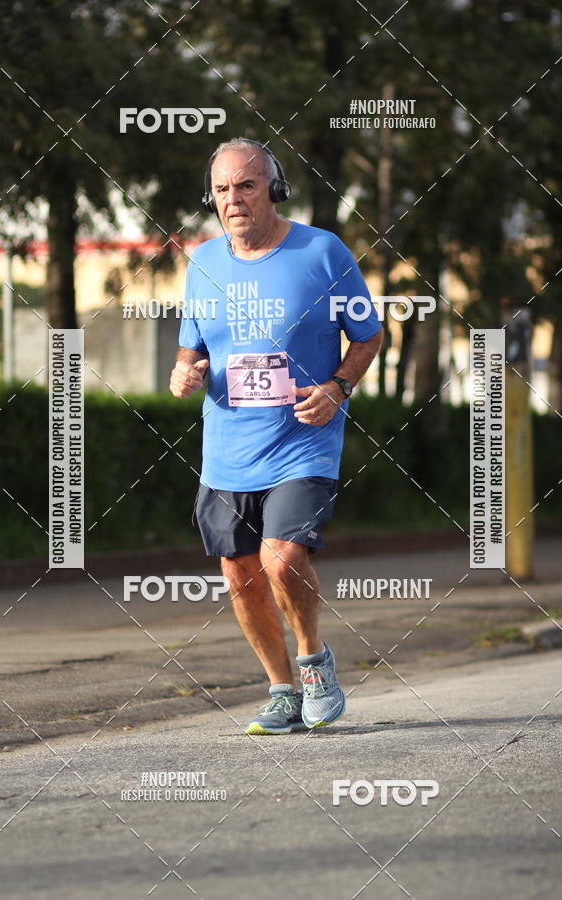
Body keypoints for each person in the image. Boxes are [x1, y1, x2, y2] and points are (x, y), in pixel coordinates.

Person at [170, 137, 382, 735]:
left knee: (282, 557)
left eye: (246, 186)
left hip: (302, 439)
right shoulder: (203, 263)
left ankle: (314, 662)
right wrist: (185, 371)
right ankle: (281, 689)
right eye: (222, 190)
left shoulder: (323, 252)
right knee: (240, 576)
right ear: (210, 199)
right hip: (228, 450)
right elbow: (193, 350)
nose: (234, 199)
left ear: (273, 188)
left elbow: (368, 335)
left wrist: (338, 387)